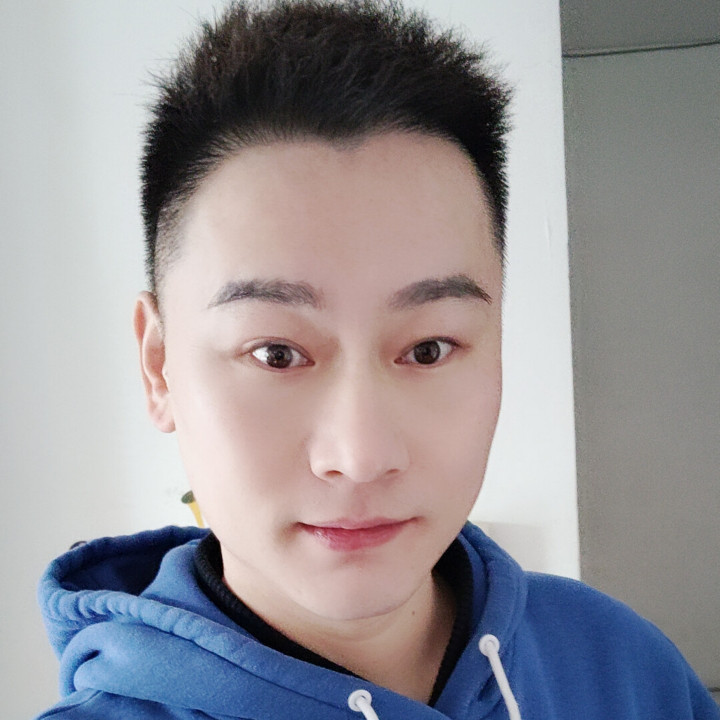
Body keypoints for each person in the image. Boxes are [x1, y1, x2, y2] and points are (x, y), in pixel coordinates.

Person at [35, 1, 718, 718]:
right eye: (276, 353)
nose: (360, 457)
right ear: (159, 366)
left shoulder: (620, 666)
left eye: (428, 349)